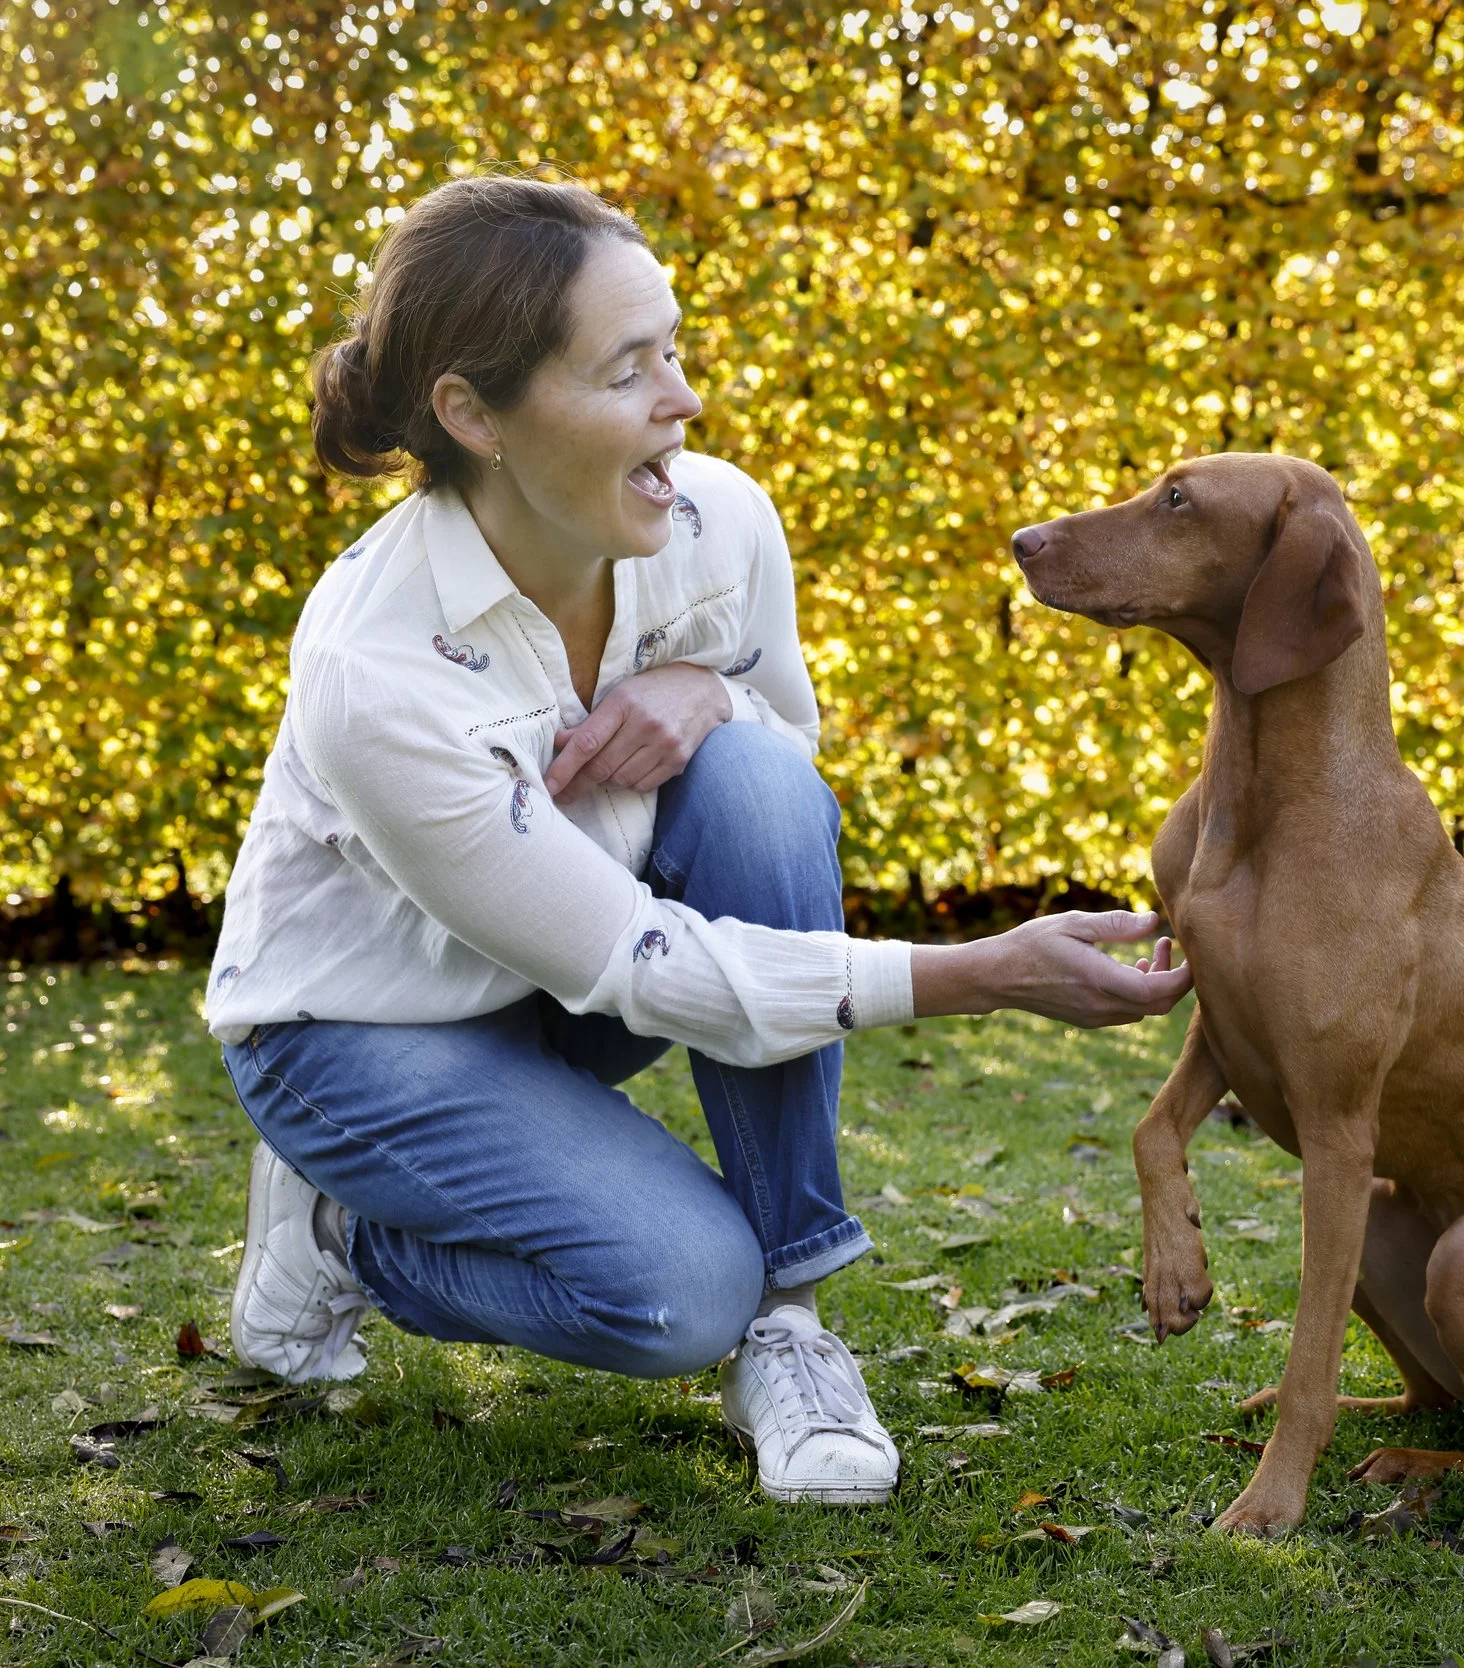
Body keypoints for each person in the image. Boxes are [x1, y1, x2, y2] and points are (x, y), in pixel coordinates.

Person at [203, 170, 1191, 1507]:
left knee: (755, 787)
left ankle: (793, 1318)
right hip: (360, 1034)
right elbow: (644, 968)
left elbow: (784, 760)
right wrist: (987, 975)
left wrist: (710, 691)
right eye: (628, 371)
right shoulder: (380, 669)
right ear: (471, 415)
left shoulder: (713, 519)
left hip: (555, 985)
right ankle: (336, 1235)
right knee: (676, 1293)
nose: (685, 400)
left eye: (674, 348)